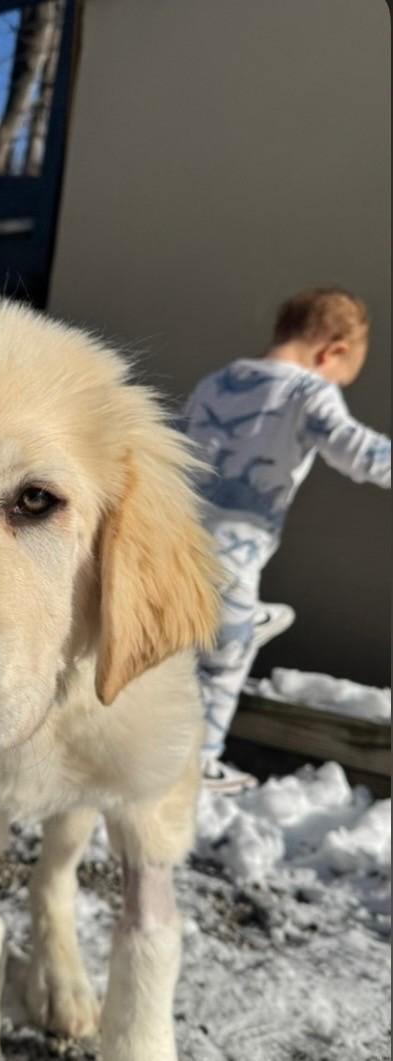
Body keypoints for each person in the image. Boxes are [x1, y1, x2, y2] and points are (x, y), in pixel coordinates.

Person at [181, 288, 391, 793]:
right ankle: (199, 763)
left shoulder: (217, 383)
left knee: (179, 647)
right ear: (332, 352)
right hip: (235, 553)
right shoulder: (308, 391)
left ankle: (242, 620)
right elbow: (355, 450)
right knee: (223, 661)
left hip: (181, 541)